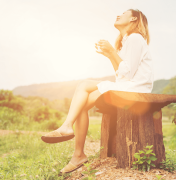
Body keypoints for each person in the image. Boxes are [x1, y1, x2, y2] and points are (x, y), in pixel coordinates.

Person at [41, 9, 154, 174]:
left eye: (124, 13)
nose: (118, 15)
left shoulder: (135, 38)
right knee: (81, 103)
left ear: (133, 18)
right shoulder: (127, 41)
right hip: (128, 84)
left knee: (84, 85)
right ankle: (77, 153)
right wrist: (110, 54)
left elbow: (128, 75)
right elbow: (122, 75)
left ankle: (68, 130)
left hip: (137, 87)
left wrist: (112, 52)